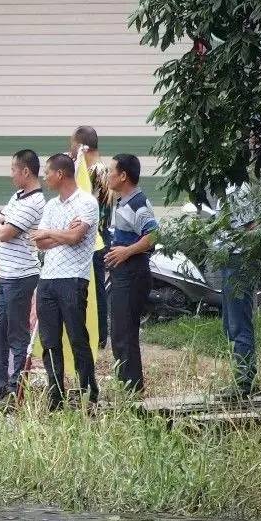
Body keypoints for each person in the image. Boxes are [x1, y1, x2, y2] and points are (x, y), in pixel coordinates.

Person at [31, 153, 101, 410]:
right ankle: (56, 396)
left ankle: (89, 392)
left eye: (47, 172)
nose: (45, 177)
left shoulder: (86, 202)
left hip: (73, 279)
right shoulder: (51, 206)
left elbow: (76, 237)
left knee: (76, 337)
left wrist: (53, 233)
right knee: (50, 341)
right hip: (47, 279)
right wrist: (63, 234)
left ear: (60, 174)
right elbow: (40, 242)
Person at [0, 149, 46, 401]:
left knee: (17, 335)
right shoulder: (18, 196)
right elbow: (0, 224)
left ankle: (15, 388)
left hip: (21, 276)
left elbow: (2, 232)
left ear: (25, 171)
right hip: (5, 276)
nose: (11, 175)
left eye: (13, 170)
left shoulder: (35, 202)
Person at [105, 153, 159, 395]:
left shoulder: (138, 202)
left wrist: (127, 252)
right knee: (118, 331)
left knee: (125, 332)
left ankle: (133, 390)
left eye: (110, 171)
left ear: (123, 175)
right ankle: (125, 384)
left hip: (133, 273)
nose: (108, 176)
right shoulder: (122, 201)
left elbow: (153, 235)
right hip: (121, 274)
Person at [217, 170, 260, 398]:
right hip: (229, 260)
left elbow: (251, 228)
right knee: (231, 325)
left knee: (239, 324)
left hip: (238, 261)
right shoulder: (226, 188)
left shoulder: (237, 189)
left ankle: (245, 383)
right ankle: (243, 378)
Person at [71, 126, 112, 349]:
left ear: (80, 146)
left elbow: (82, 200)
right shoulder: (98, 170)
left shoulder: (96, 171)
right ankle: (96, 334)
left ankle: (99, 336)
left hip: (95, 236)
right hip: (96, 233)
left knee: (94, 286)